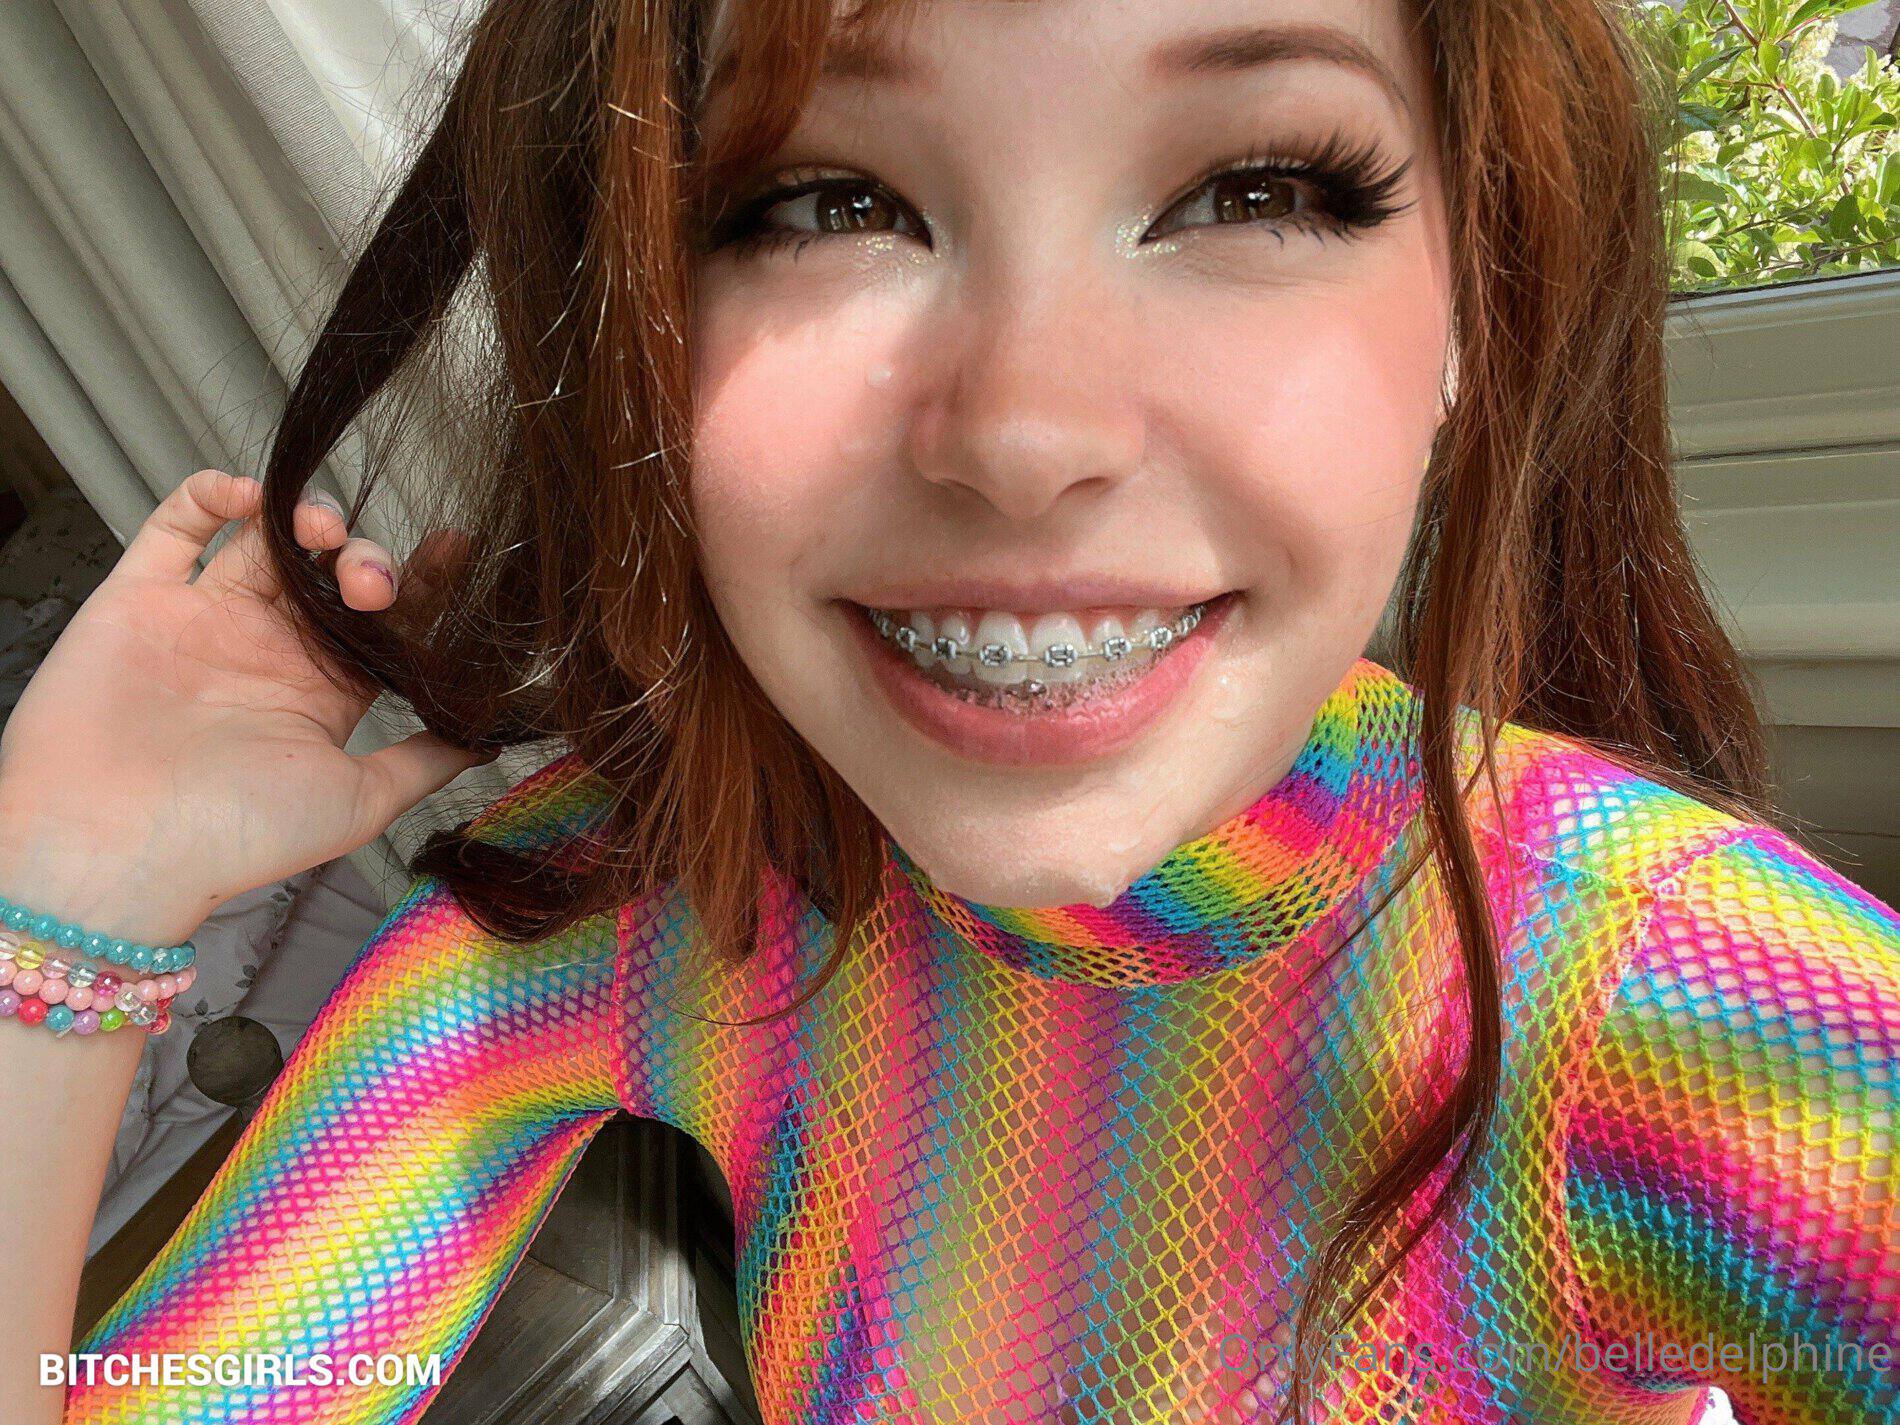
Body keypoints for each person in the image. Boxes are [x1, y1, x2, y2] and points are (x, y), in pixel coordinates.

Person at [1, 0, 1893, 1420]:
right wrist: (77, 878)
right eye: (821, 200)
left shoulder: (1691, 1002)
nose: (1022, 433)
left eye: (1256, 188)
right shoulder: (658, 894)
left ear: (1476, 297)